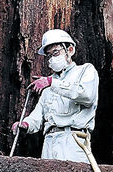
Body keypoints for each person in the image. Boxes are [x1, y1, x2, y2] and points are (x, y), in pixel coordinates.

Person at [12, 30, 99, 163]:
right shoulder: (48, 83)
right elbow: (39, 114)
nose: (52, 59)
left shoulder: (85, 71)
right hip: (49, 142)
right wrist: (26, 124)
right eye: (49, 56)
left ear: (70, 50)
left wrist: (52, 83)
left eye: (56, 53)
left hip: (74, 140)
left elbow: (87, 96)